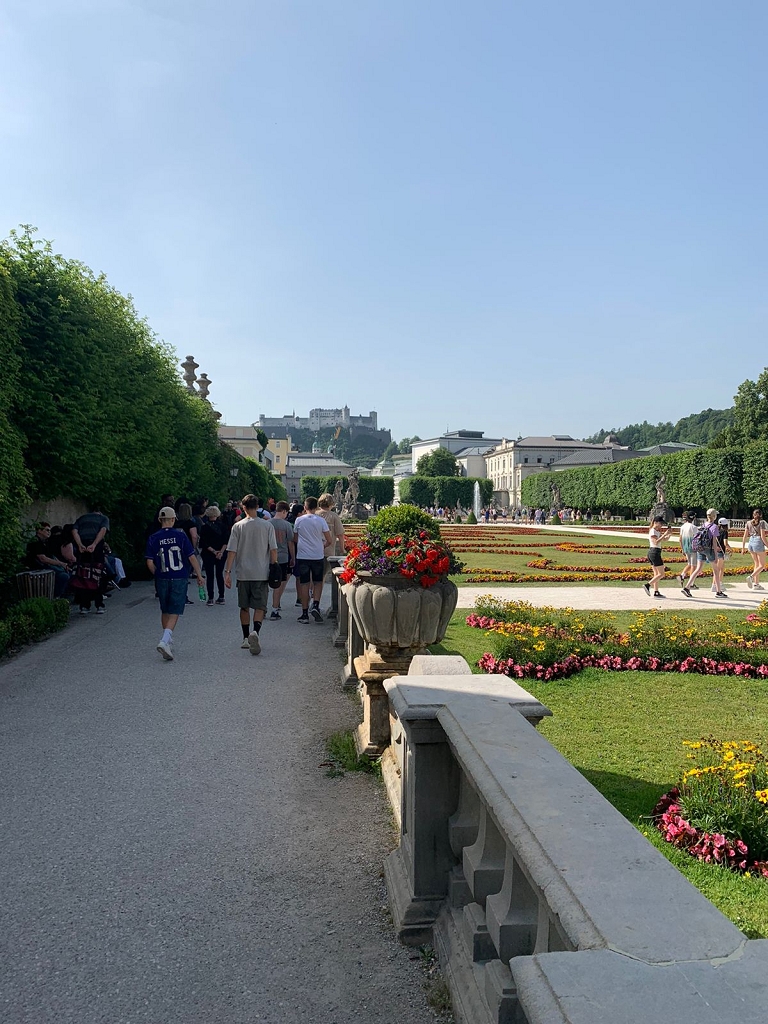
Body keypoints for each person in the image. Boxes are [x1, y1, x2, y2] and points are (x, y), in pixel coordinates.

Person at [145, 507, 204, 661]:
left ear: (160, 520)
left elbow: (149, 562)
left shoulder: (153, 537)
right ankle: (165, 640)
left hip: (162, 577)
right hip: (179, 576)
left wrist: (157, 574)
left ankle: (168, 639)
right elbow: (191, 557)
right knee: (175, 610)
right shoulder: (180, 535)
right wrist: (198, 574)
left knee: (165, 609)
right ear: (173, 519)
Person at [224, 494, 278, 655]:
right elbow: (273, 550)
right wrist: (274, 566)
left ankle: (245, 637)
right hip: (261, 572)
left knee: (244, 606)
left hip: (243, 573)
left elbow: (232, 551)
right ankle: (256, 632)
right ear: (258, 507)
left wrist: (227, 572)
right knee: (260, 606)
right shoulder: (267, 526)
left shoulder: (237, 526)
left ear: (243, 507)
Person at [293, 496, 332, 623]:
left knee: (304, 583)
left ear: (305, 507)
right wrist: (322, 545)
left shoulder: (299, 520)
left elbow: (295, 538)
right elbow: (329, 540)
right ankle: (315, 604)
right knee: (317, 582)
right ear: (316, 507)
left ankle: (304, 613)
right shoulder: (321, 521)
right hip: (317, 555)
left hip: (303, 556)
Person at [72, 508, 110, 615]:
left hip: (82, 549)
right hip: (96, 549)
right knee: (98, 576)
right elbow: (103, 530)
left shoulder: (81, 518)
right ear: (99, 513)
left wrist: (80, 545)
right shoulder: (103, 518)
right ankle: (99, 605)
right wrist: (94, 544)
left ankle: (84, 606)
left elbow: (74, 531)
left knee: (83, 576)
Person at [682, 508, 724, 598]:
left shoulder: (704, 524)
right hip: (709, 549)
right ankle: (718, 591)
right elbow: (714, 542)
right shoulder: (714, 526)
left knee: (698, 569)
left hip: (700, 548)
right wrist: (716, 555)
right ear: (714, 516)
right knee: (716, 570)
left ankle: (687, 587)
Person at [25, 523, 72, 598]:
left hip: (47, 567)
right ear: (39, 531)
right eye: (47, 530)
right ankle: (55, 597)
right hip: (39, 568)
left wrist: (63, 564)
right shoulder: (35, 542)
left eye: (49, 530)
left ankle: (57, 596)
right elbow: (43, 559)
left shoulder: (45, 542)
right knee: (63, 576)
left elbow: (52, 556)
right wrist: (61, 564)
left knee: (68, 572)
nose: (49, 532)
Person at [268, 501, 295, 619]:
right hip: (282, 557)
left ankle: (262, 609)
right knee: (278, 584)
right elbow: (290, 543)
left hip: (268, 557)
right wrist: (293, 557)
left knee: (264, 583)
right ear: (284, 511)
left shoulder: (268, 524)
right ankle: (275, 609)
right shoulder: (287, 525)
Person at [199, 505, 228, 606]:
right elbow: (226, 541)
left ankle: (210, 598)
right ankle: (221, 596)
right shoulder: (223, 526)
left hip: (208, 553)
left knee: (210, 575)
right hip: (221, 552)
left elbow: (203, 542)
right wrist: (221, 552)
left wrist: (214, 551)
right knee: (219, 574)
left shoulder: (204, 527)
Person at [644, 515, 672, 598]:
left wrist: (669, 534)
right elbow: (656, 542)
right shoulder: (653, 531)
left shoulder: (657, 531)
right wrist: (664, 534)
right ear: (655, 522)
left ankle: (656, 591)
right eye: (660, 523)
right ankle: (647, 585)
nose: (661, 525)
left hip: (654, 552)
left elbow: (664, 540)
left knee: (656, 574)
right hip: (654, 552)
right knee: (661, 574)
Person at [742, 509, 768, 590]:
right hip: (758, 542)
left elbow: (745, 536)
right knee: (762, 565)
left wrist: (743, 547)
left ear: (753, 515)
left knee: (756, 564)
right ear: (761, 515)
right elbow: (763, 537)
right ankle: (751, 577)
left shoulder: (748, 523)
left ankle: (756, 584)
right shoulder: (762, 523)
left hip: (751, 542)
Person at [677, 512, 698, 589]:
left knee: (689, 564)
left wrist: (682, 549)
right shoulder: (694, 527)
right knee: (693, 566)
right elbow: (697, 539)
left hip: (685, 547)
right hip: (693, 548)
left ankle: (682, 576)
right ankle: (691, 583)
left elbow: (680, 539)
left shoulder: (683, 527)